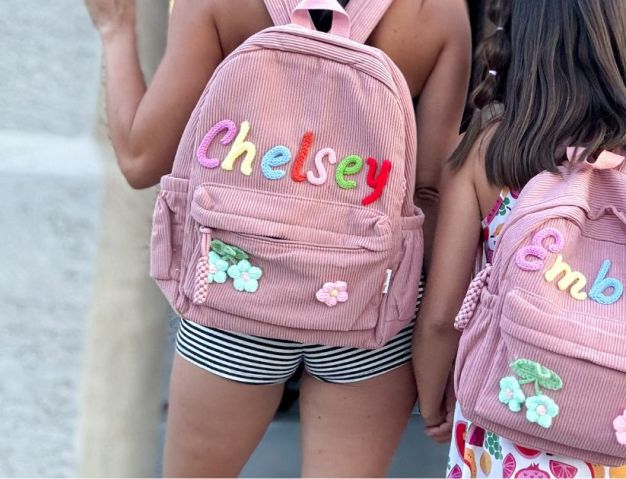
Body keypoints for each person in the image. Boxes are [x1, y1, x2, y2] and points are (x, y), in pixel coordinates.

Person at [84, 0, 471, 475]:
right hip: (368, 305)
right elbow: (431, 191)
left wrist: (114, 30)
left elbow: (140, 160)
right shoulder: (438, 12)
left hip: (235, 290)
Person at [411, 0, 626, 477]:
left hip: (502, 424)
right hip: (617, 441)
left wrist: (433, 396)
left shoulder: (489, 153)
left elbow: (442, 317)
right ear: (621, 46)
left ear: (517, 40)